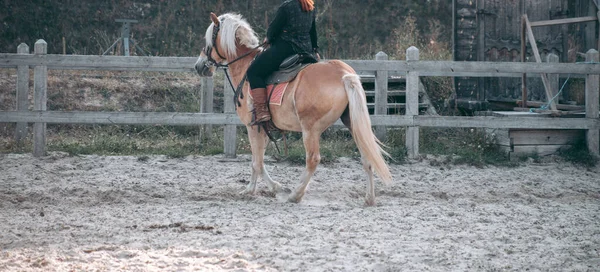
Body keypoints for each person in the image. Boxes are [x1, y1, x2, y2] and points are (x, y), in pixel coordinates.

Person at [246, 0, 320, 125]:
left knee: (253, 72)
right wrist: (315, 49)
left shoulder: (286, 6)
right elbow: (313, 31)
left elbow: (274, 28)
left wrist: (268, 38)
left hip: (286, 48)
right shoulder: (310, 6)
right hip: (306, 50)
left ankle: (262, 111)